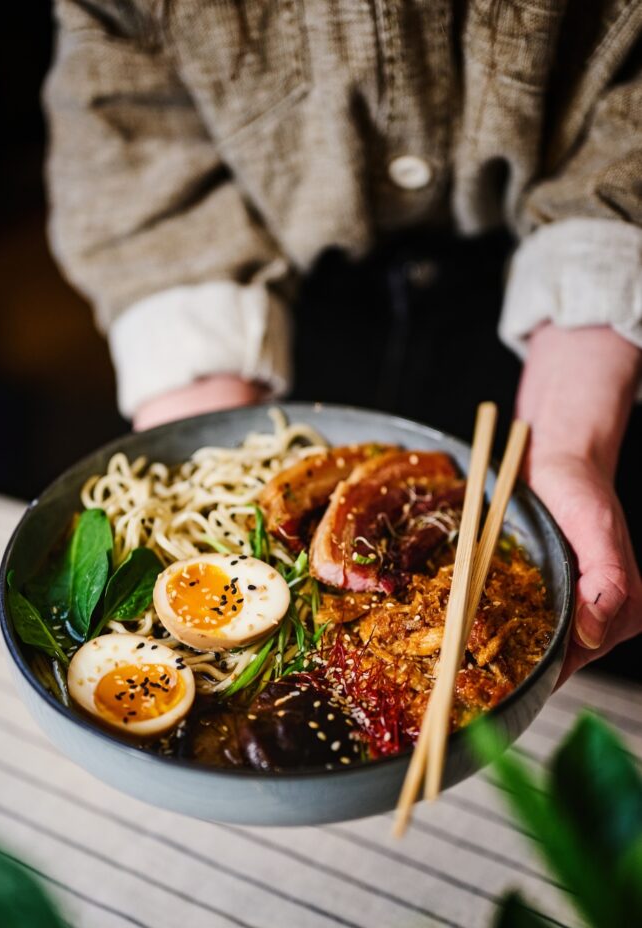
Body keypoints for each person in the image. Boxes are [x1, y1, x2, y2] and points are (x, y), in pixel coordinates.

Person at [43, 0, 642, 682]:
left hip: (573, 319)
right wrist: (203, 462)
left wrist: (569, 448)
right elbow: (132, 151)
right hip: (278, 316)